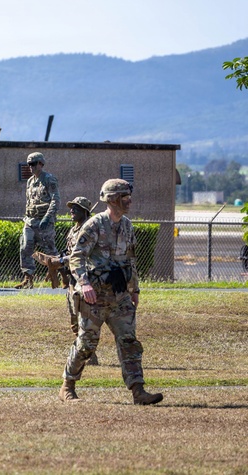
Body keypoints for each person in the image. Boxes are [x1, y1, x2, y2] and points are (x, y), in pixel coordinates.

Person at [59, 179, 164, 405]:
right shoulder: (94, 225)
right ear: (112, 199)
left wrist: (134, 289)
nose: (129, 201)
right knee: (87, 343)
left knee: (129, 341)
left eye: (128, 196)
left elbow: (131, 260)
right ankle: (67, 386)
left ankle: (138, 391)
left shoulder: (127, 225)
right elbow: (77, 257)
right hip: (93, 296)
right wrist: (84, 284)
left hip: (119, 296)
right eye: (124, 197)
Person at [59, 196, 99, 366]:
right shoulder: (74, 229)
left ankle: (89, 355)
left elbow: (84, 256)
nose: (72, 211)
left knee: (85, 319)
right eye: (71, 208)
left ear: (85, 211)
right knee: (74, 319)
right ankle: (83, 351)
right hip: (72, 280)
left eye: (76, 208)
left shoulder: (88, 230)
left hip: (84, 280)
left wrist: (62, 260)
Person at [16, 152, 59, 289]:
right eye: (29, 164)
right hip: (30, 220)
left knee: (50, 250)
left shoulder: (49, 179)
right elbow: (29, 201)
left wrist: (48, 217)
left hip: (44, 221)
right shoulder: (30, 181)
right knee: (25, 247)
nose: (31, 167)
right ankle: (28, 278)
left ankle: (59, 275)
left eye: (33, 164)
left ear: (41, 164)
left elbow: (55, 200)